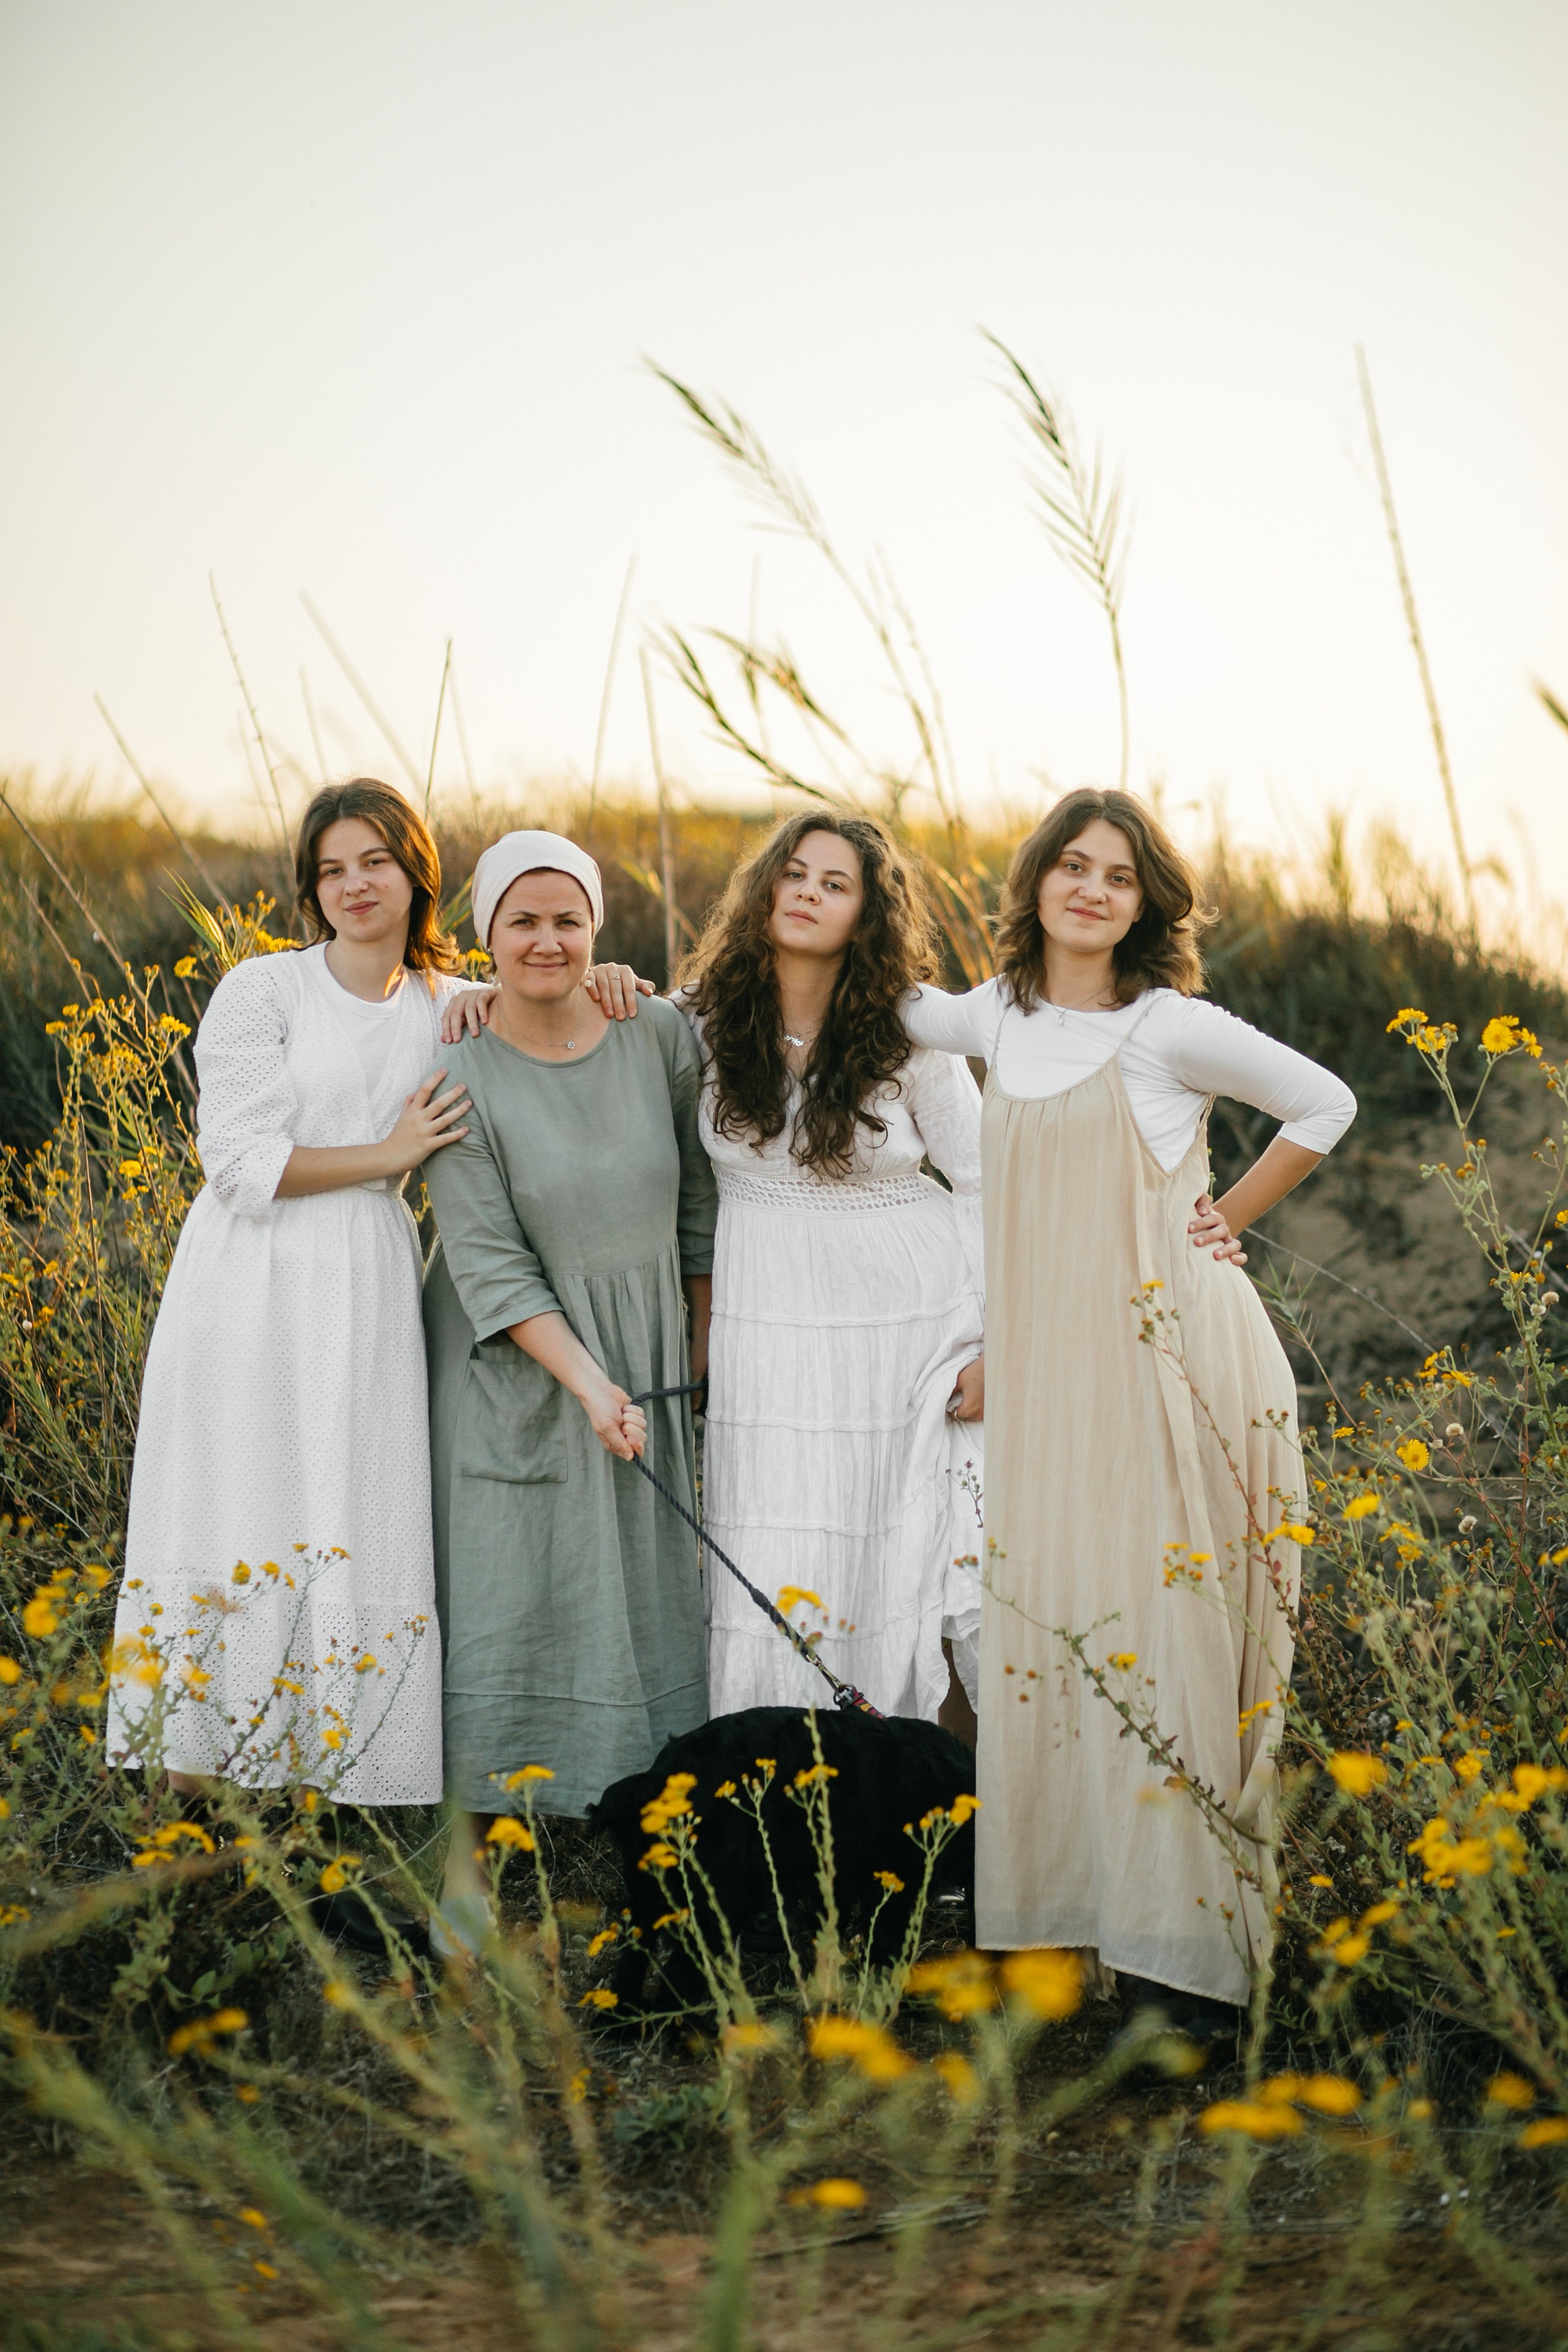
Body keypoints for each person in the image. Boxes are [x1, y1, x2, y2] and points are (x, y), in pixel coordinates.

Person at [903, 788, 1355, 2036]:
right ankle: (1067, 1941)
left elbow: (1323, 1103)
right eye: (1071, 867)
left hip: (1173, 1361)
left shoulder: (1168, 1028)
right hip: (1057, 1380)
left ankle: (1182, 1974)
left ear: (1144, 903)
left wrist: (1228, 1216)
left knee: (1168, 1637)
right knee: (1056, 1634)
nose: (1091, 890)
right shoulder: (992, 1014)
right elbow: (870, 995)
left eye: (1118, 876)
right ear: (1036, 882)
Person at [107, 778, 495, 1809]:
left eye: (375, 860)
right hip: (248, 1278)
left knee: (347, 1505)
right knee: (239, 1501)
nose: (354, 884)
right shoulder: (264, 989)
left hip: (366, 1284)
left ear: (417, 869)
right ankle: (191, 1785)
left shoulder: (447, 1006)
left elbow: (560, 981)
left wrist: (621, 972)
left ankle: (326, 1781)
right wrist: (392, 1151)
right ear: (310, 888)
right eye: (331, 869)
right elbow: (238, 1163)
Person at [421, 830, 717, 1952]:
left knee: (639, 1587)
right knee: (509, 1592)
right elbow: (489, 1263)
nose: (546, 941)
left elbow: (700, 1207)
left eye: (568, 920)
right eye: (520, 922)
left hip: (646, 1344)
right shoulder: (456, 1068)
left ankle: (647, 1838)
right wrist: (594, 1384)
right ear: (484, 938)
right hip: (517, 1353)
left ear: (597, 930)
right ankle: (468, 1864)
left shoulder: (656, 1035)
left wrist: (691, 1359)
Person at [676, 812, 985, 1728]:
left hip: (914, 1323)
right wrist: (476, 996)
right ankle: (792, 1791)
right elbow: (562, 1004)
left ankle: (952, 1816)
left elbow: (986, 1182)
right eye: (796, 873)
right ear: (766, 887)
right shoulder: (695, 1019)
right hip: (769, 1325)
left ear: (867, 914)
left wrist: (997, 1344)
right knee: (778, 1541)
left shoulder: (911, 1027)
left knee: (923, 1557)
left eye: (835, 883)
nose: (808, 892)